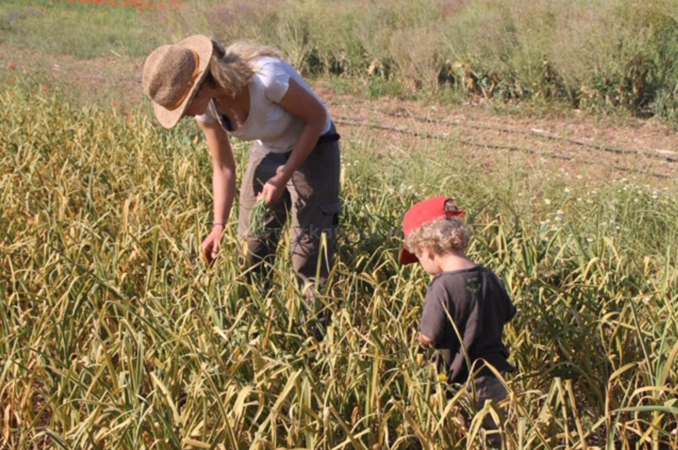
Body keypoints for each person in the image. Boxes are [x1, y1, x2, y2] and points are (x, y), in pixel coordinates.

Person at [142, 35, 341, 333]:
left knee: (307, 249)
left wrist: (283, 175)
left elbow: (316, 118)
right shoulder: (208, 108)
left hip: (314, 145)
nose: (182, 116)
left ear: (199, 88)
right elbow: (222, 166)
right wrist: (218, 226)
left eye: (182, 107)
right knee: (253, 245)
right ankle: (256, 327)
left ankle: (313, 332)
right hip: (269, 148)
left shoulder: (268, 78)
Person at [400, 196, 516, 446]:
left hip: (458, 385)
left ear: (428, 250)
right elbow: (508, 314)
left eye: (417, 256)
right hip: (495, 380)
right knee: (494, 440)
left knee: (459, 439)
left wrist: (418, 339)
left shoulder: (441, 287)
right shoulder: (490, 276)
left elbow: (429, 336)